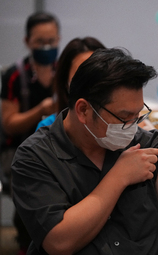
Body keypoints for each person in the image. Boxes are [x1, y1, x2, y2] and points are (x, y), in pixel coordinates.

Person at [11, 48, 158, 255]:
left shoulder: (151, 147)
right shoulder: (35, 158)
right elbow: (58, 242)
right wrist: (118, 177)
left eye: (138, 116)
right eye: (124, 118)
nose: (133, 127)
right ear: (83, 110)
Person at [0, 11, 60, 254]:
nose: (47, 46)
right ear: (27, 42)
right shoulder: (15, 75)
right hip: (20, 150)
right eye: (40, 42)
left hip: (58, 147)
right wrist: (41, 110)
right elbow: (9, 124)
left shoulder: (64, 70)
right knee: (29, 205)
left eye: (52, 41)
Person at [36, 37, 106, 130]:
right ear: (65, 82)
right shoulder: (47, 128)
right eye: (81, 75)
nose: (90, 82)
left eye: (96, 74)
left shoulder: (120, 123)